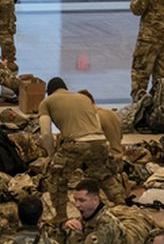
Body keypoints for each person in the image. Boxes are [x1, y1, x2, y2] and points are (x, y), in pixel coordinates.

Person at [39, 78, 118, 223]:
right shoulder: (83, 98)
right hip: (99, 141)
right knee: (104, 176)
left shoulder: (47, 102)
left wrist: (51, 155)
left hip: (76, 142)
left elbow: (45, 132)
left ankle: (61, 214)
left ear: (49, 92)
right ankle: (122, 205)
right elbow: (96, 121)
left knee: (56, 179)